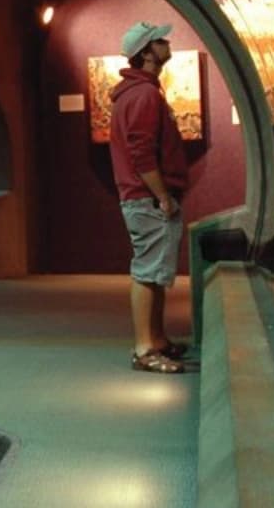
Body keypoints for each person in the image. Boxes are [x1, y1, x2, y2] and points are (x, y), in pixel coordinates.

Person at [109, 21, 193, 374]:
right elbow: (142, 152)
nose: (166, 42)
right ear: (146, 52)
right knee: (146, 272)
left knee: (155, 271)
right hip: (148, 198)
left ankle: (157, 339)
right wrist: (163, 196)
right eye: (159, 40)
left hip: (146, 197)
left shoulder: (139, 92)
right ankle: (145, 348)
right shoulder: (143, 95)